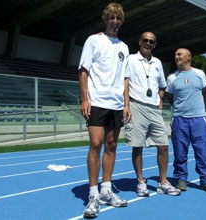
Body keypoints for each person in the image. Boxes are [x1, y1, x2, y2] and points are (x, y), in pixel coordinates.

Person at [78, 3, 130, 218]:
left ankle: (106, 189)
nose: (115, 21)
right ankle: (93, 195)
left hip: (117, 104)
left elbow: (126, 78)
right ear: (105, 19)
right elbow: (83, 70)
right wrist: (84, 98)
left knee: (111, 145)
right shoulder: (94, 40)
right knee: (96, 144)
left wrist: (126, 104)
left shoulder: (124, 47)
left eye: (118, 18)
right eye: (112, 17)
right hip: (97, 101)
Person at [124, 32, 181, 197]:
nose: (148, 43)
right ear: (139, 41)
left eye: (151, 41)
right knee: (137, 145)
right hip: (136, 105)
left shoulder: (157, 63)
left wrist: (161, 100)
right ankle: (141, 182)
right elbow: (124, 82)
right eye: (145, 40)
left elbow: (162, 85)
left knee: (163, 145)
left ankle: (163, 182)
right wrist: (126, 105)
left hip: (154, 109)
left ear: (155, 45)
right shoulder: (130, 59)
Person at [166, 48, 206, 193]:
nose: (176, 56)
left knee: (201, 152)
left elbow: (204, 93)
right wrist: (180, 110)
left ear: (189, 57)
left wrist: (197, 110)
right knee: (180, 153)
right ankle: (181, 179)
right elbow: (170, 97)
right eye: (175, 54)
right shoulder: (172, 78)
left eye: (179, 54)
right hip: (179, 120)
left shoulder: (199, 74)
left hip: (198, 119)